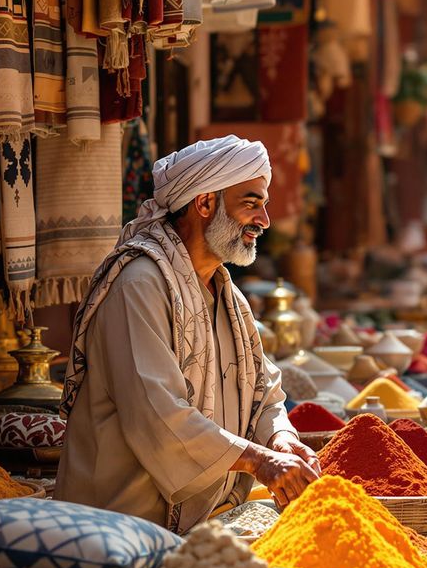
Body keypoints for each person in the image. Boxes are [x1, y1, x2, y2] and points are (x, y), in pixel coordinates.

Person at [56, 136, 320, 533]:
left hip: (199, 529)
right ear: (205, 203)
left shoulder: (227, 296)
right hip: (119, 529)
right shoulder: (139, 284)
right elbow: (159, 415)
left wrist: (281, 438)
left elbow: (264, 394)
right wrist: (260, 460)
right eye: (252, 203)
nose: (264, 220)